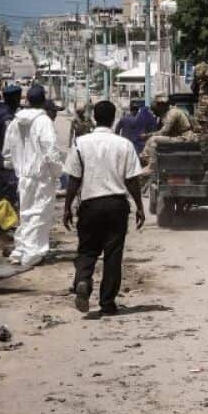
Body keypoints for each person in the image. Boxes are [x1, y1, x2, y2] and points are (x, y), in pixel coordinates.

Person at [62, 100, 146, 315]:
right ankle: (107, 303)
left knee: (87, 249)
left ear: (95, 118)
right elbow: (132, 180)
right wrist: (139, 206)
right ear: (112, 119)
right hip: (117, 204)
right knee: (113, 254)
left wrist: (67, 207)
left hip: (90, 204)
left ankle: (83, 280)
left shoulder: (80, 143)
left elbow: (73, 179)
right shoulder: (124, 144)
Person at [2, 85, 63, 266]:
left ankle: (20, 250)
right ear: (44, 101)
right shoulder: (43, 121)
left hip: (23, 176)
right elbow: (50, 150)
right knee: (39, 215)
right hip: (40, 176)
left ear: (27, 100)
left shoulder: (16, 121)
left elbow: (7, 151)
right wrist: (57, 172)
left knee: (26, 214)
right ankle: (32, 254)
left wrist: (16, 168)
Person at [0, 85, 22, 244]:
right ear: (14, 99)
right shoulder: (8, 118)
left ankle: (3, 229)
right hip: (5, 163)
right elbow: (11, 143)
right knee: (6, 197)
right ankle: (3, 231)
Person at [140, 95, 191, 174]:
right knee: (152, 140)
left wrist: (148, 135)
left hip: (184, 137)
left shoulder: (173, 113)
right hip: (178, 137)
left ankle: (152, 166)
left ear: (162, 105)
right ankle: (146, 158)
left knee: (153, 139)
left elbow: (164, 132)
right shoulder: (166, 113)